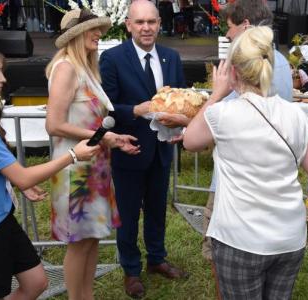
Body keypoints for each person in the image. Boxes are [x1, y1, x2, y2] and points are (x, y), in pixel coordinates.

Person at [183, 26, 308, 300]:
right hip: (288, 238)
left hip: (239, 240)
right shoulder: (295, 115)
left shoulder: (222, 114)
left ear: (233, 71)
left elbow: (190, 141)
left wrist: (216, 93)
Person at [0, 41, 100, 300]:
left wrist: (17, 181)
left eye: (1, 70)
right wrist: (72, 155)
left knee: (36, 282)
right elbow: (21, 174)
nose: (2, 79)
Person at [45, 8, 140, 299]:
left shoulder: (85, 67)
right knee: (79, 243)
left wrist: (110, 139)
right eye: (92, 30)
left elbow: (89, 124)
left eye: (99, 29)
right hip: (76, 171)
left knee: (91, 240)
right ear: (76, 35)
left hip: (94, 168)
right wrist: (101, 137)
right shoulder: (66, 68)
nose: (99, 34)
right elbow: (54, 125)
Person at [99, 0, 188, 298]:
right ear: (128, 25)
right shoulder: (112, 58)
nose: (146, 28)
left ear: (160, 23)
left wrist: (181, 127)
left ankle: (157, 259)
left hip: (162, 148)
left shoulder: (171, 57)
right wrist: (135, 110)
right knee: (127, 214)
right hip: (130, 149)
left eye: (151, 22)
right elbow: (107, 108)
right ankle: (131, 270)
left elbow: (181, 99)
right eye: (140, 22)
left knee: (156, 209)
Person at [201, 0, 294, 261]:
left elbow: (213, 126)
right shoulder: (283, 63)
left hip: (233, 184)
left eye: (230, 28)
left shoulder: (244, 70)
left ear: (245, 25)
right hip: (271, 180)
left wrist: (193, 119)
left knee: (221, 255)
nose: (228, 35)